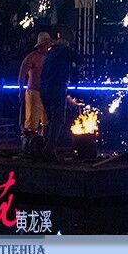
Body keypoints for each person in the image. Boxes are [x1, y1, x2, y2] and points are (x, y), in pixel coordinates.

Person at [39, 27, 82, 162]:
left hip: (44, 89)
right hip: (57, 88)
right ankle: (49, 149)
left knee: (50, 120)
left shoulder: (50, 53)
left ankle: (46, 147)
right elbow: (79, 59)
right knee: (58, 119)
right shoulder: (65, 50)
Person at [18, 32, 52, 151]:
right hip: (34, 92)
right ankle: (29, 146)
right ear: (42, 45)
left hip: (47, 93)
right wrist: (21, 91)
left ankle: (43, 146)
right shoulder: (31, 57)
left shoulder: (50, 58)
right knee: (32, 122)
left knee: (46, 121)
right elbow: (22, 75)